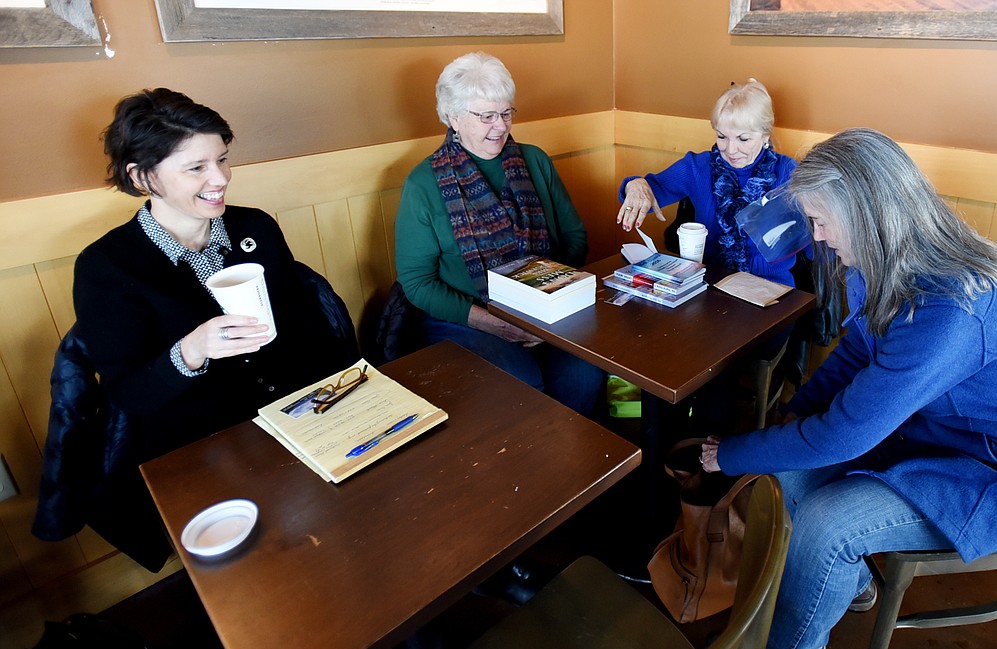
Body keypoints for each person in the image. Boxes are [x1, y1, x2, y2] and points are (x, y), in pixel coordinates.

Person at [699, 128, 997, 649]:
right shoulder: (883, 265)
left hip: (993, 472)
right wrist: (790, 417)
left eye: (822, 220)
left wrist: (734, 452)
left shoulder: (950, 311)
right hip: (925, 433)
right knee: (785, 481)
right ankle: (845, 586)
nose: (818, 236)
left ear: (866, 214)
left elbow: (841, 435)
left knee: (826, 522)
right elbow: (854, 354)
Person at [54, 88, 357, 569]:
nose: (220, 179)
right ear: (142, 176)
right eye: (196, 168)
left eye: (222, 160)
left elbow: (306, 330)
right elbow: (129, 393)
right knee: (280, 553)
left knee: (371, 498)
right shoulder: (107, 267)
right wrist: (191, 351)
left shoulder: (253, 227)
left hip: (294, 415)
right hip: (201, 445)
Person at [395, 52, 603, 415]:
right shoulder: (424, 183)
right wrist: (493, 322)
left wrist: (550, 297)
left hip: (545, 308)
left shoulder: (534, 161)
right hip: (466, 316)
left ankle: (577, 463)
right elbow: (417, 283)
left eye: (506, 113)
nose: (500, 126)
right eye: (486, 116)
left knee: (586, 371)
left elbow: (574, 236)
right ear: (452, 117)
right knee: (521, 381)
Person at [616, 78, 804, 286]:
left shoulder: (789, 173)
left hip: (771, 289)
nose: (731, 150)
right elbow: (651, 191)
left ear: (765, 136)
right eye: (722, 137)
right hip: (710, 283)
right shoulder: (699, 167)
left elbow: (819, 237)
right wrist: (635, 185)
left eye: (743, 139)